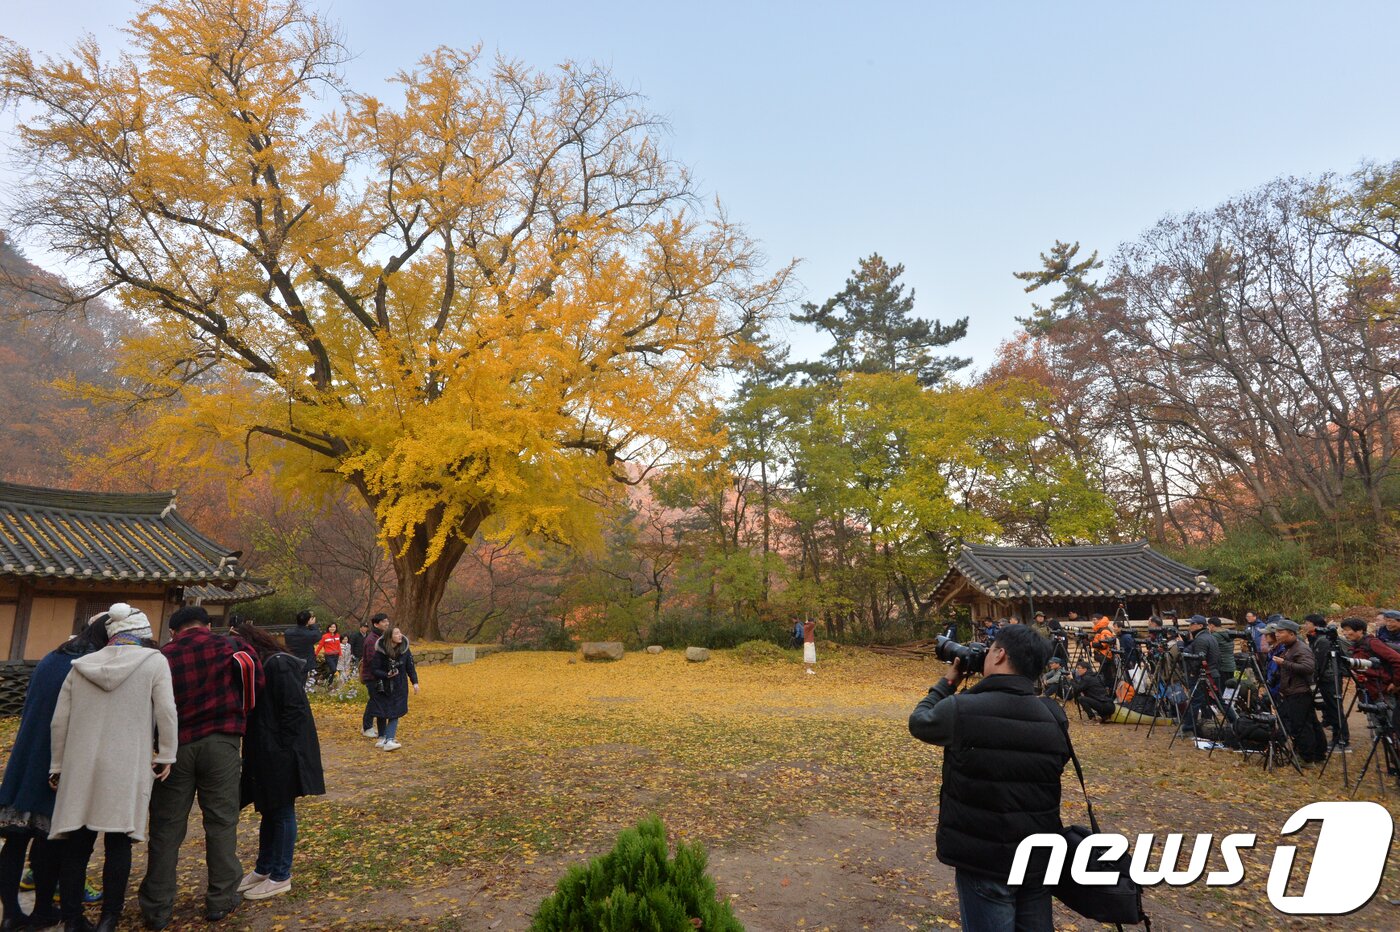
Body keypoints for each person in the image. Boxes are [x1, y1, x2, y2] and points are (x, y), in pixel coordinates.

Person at [908, 625, 1069, 931]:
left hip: (985, 861)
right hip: (1037, 858)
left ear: (1000, 654)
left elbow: (920, 722)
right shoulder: (1053, 715)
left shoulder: (963, 710)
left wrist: (948, 682)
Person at [50, 604, 178, 932]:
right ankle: (110, 918)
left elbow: (59, 721)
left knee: (77, 844)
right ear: (141, 634)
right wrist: (166, 753)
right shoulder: (154, 662)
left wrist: (58, 765)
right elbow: (166, 710)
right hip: (127, 764)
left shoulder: (81, 665)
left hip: (81, 765)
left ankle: (73, 919)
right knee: (118, 844)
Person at [138, 605, 264, 929]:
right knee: (222, 822)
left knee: (166, 828)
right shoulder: (232, 647)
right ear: (208, 624)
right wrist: (240, 712)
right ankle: (221, 899)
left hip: (173, 747)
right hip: (222, 741)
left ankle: (157, 907)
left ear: (173, 631)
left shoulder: (162, 656)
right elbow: (255, 680)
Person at [0, 619, 110, 931]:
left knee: (17, 839)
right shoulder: (87, 665)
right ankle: (44, 908)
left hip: (26, 752)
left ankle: (10, 913)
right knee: (50, 839)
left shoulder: (53, 657)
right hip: (56, 758)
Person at [229, 623, 325, 901]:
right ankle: (264, 868)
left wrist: (281, 747)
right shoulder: (263, 666)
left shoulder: (278, 665)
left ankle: (281, 874)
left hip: (283, 752)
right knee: (270, 809)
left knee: (282, 811)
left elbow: (294, 710)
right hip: (266, 750)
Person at [1268, 620, 1325, 764]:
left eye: (1281, 632)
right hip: (1293, 690)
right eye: (1277, 632)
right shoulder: (1288, 647)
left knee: (1301, 726)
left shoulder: (1301, 648)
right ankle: (1318, 753)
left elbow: (1308, 668)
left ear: (1292, 633)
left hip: (1299, 692)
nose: (1277, 635)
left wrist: (1284, 663)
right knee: (1310, 722)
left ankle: (1307, 758)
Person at [368, 628, 420, 752]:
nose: (400, 635)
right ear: (389, 637)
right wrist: (386, 674)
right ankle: (384, 738)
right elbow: (374, 669)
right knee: (382, 711)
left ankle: (389, 738)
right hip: (383, 686)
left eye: (400, 632)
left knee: (395, 711)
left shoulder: (405, 650)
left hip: (399, 685)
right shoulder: (380, 651)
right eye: (396, 633)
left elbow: (410, 667)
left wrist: (415, 683)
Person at [1302, 615, 1348, 748]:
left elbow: (1320, 662)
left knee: (1335, 708)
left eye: (1307, 623)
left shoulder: (1323, 640)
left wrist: (1314, 676)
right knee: (1329, 708)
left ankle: (1342, 738)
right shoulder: (1314, 638)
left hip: (1329, 678)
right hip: (1324, 678)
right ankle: (1337, 736)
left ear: (1315, 625)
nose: (1305, 625)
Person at [359, 614, 391, 738]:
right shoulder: (372, 639)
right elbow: (373, 660)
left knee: (374, 701)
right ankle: (367, 727)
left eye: (387, 621)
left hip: (378, 675)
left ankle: (367, 726)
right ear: (376, 624)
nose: (387, 623)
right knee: (376, 701)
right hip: (372, 676)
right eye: (384, 621)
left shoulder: (381, 637)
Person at [281, 611, 320, 686]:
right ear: (308, 621)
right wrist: (313, 625)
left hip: (291, 660)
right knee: (301, 684)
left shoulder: (288, 632)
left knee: (292, 683)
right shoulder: (310, 634)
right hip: (304, 662)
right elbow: (317, 635)